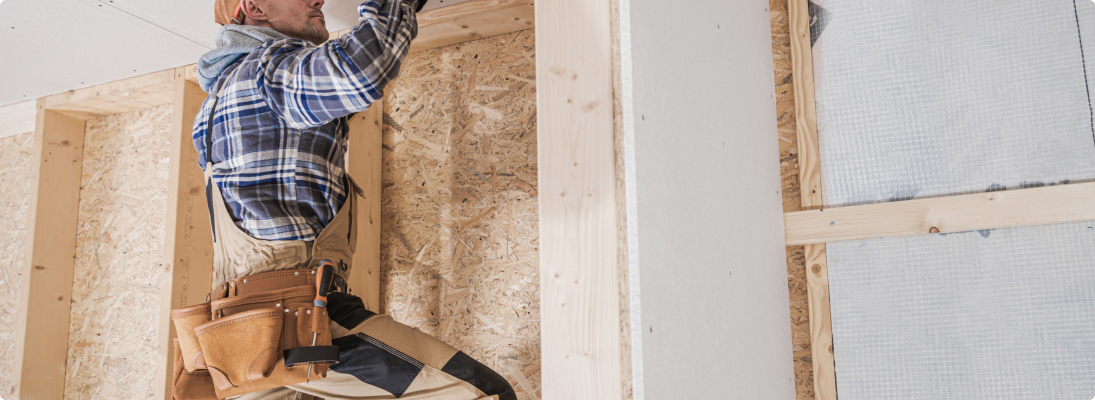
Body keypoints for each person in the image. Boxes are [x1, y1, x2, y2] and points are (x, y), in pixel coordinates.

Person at [191, 0, 517, 398]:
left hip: (240, 336)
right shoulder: (267, 71)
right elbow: (359, 71)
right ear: (254, 7)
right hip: (297, 314)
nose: (319, 0)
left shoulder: (217, 101)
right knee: (482, 393)